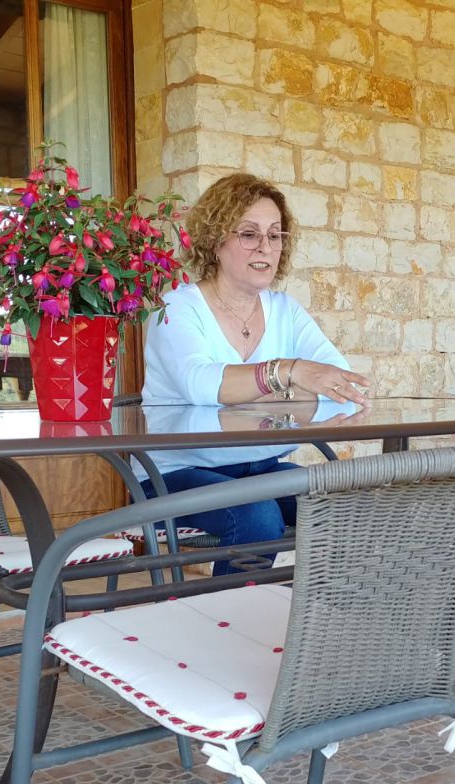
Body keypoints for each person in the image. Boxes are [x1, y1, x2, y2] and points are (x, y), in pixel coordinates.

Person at [141, 173, 370, 575]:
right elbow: (201, 383)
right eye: (249, 234)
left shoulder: (285, 310)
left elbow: (341, 385)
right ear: (216, 240)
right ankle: (229, 614)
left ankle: (314, 612)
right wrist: (288, 373)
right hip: (176, 473)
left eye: (275, 235)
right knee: (258, 516)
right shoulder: (177, 308)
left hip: (262, 466)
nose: (265, 247)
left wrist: (245, 388)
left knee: (343, 506)